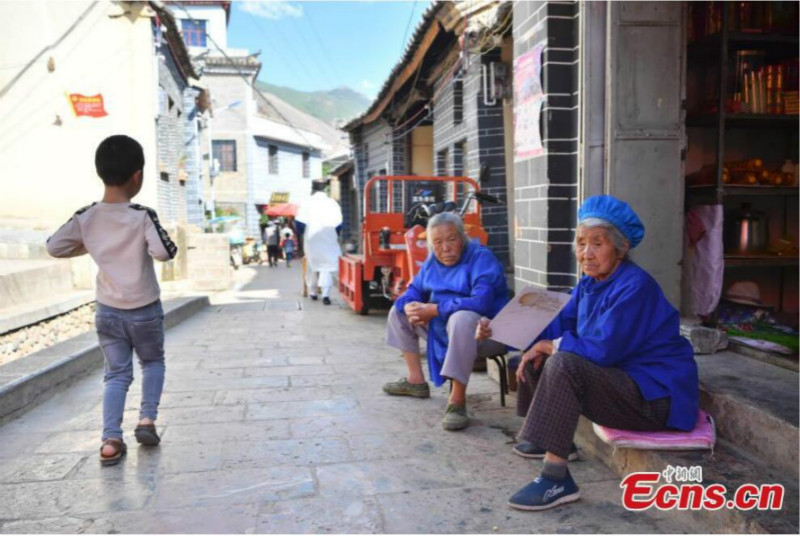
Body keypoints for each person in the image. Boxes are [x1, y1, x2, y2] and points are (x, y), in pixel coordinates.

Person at [477, 195, 698, 511]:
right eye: (580, 243)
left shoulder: (635, 286)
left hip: (655, 398)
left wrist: (552, 346)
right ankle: (554, 440)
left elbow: (604, 350)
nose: (586, 253)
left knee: (564, 361)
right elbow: (557, 327)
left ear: (620, 249)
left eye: (597, 244)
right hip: (626, 383)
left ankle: (556, 479)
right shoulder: (589, 284)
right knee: (542, 354)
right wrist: (497, 328)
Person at [46, 135, 177, 466]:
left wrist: (90, 245)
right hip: (145, 309)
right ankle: (146, 420)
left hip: (107, 312)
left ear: (100, 173)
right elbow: (164, 252)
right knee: (152, 363)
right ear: (138, 176)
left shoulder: (86, 217)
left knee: (116, 375)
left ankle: (110, 440)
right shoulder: (141, 215)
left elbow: (54, 246)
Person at [384, 212, 509, 431]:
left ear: (462, 238)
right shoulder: (433, 261)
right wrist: (409, 305)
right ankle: (416, 381)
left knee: (461, 318)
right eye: (438, 242)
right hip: (443, 326)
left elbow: (481, 302)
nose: (446, 248)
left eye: (451, 239)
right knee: (398, 311)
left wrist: (435, 309)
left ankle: (457, 401)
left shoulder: (481, 258)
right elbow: (414, 289)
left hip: (486, 333)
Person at [295, 179, 342, 305]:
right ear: (325, 189)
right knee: (327, 265)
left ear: (313, 188)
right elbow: (339, 225)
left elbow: (299, 224)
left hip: (311, 238)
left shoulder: (306, 202)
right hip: (329, 237)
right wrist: (333, 235)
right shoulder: (332, 203)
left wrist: (304, 234)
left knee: (312, 264)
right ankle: (326, 295)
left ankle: (313, 292)